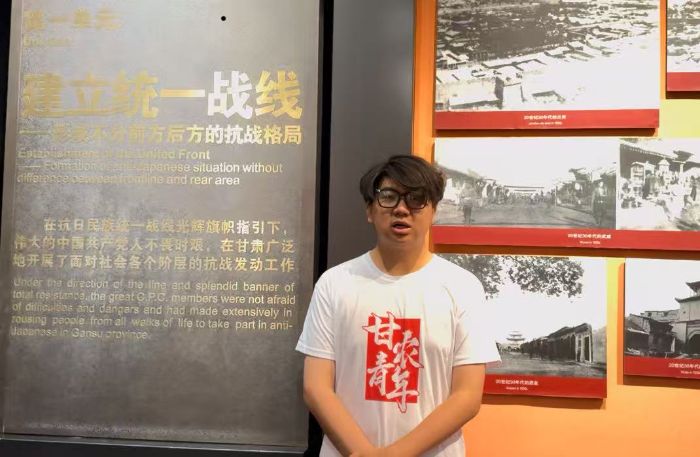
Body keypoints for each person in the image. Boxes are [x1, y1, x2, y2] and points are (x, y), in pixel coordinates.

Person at [296, 155, 500, 457]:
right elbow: (316, 387)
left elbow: (467, 396)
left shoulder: (462, 287)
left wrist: (393, 455)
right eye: (389, 197)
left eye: (416, 199)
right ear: (369, 209)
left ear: (433, 211)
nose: (402, 209)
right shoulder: (335, 283)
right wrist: (364, 453)